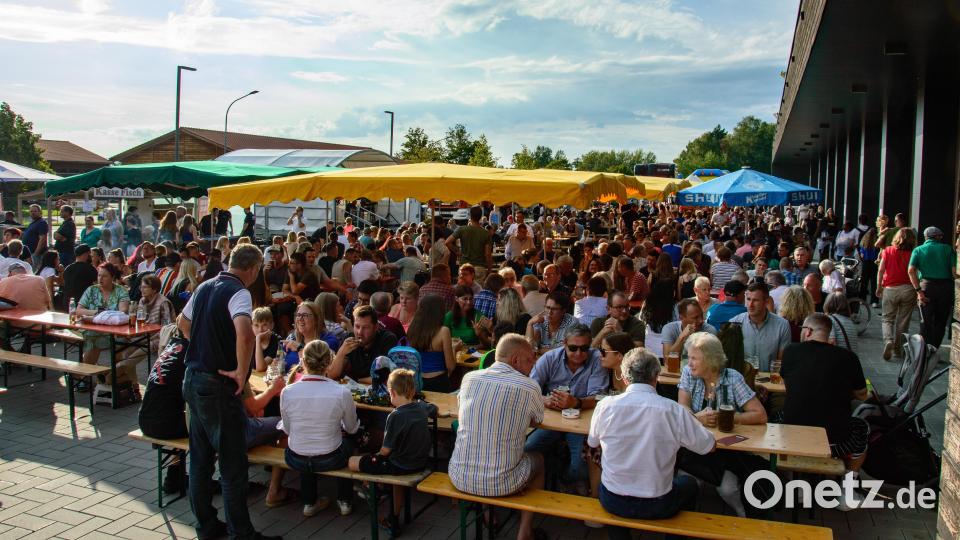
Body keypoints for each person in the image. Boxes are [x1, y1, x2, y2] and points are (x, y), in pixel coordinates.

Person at [176, 244, 279, 540]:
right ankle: (241, 533)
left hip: (193, 378)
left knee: (200, 461)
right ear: (254, 269)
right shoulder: (239, 292)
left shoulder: (205, 286)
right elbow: (245, 334)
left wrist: (203, 345)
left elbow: (182, 323)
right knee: (233, 465)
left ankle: (206, 526)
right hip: (217, 385)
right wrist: (240, 372)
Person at [589, 348, 715, 539]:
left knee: (612, 491)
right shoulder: (673, 410)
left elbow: (592, 442)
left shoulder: (605, 406)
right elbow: (708, 446)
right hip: (658, 502)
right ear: (656, 377)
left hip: (613, 499)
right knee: (689, 484)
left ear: (625, 378)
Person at [449, 334, 545, 540]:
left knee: (486, 449)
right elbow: (537, 421)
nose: (533, 365)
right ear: (516, 360)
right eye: (530, 360)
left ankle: (488, 513)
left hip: (459, 476)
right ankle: (525, 532)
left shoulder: (469, 379)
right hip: (503, 483)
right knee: (539, 460)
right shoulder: (529, 386)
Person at [781, 313, 869, 507]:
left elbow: (788, 382)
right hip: (833, 441)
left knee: (779, 417)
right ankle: (847, 490)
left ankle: (796, 483)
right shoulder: (848, 357)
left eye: (803, 330)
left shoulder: (791, 351)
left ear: (808, 331)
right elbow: (862, 394)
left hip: (793, 437)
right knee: (862, 428)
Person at [678, 332, 767, 517]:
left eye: (694, 358)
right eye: (689, 357)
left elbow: (760, 415)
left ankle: (744, 515)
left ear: (710, 360)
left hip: (726, 452)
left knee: (727, 489)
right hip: (697, 448)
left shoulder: (732, 377)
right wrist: (697, 418)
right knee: (687, 483)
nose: (689, 363)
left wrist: (729, 417)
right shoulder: (688, 373)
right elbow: (682, 407)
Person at [347, 368, 436, 534]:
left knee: (353, 461)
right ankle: (391, 516)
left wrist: (375, 456)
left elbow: (385, 451)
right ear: (412, 391)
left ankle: (373, 489)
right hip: (419, 462)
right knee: (394, 481)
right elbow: (434, 409)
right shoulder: (421, 408)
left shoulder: (395, 416)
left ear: (392, 392)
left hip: (400, 464)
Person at [280, 340, 358, 518]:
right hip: (330, 458)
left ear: (303, 361)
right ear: (329, 362)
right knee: (348, 442)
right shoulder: (341, 392)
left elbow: (288, 429)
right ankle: (345, 500)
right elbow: (352, 428)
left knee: (305, 443)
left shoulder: (287, 391)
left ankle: (309, 502)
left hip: (295, 458)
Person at [526, 324, 608, 491]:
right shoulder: (550, 358)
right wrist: (545, 400)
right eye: (573, 348)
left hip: (580, 420)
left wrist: (576, 402)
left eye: (584, 348)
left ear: (590, 345)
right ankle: (551, 473)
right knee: (528, 450)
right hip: (551, 418)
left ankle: (561, 476)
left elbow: (599, 398)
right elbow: (529, 388)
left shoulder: (596, 359)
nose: (578, 353)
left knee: (580, 468)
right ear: (564, 344)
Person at [113, 275, 174, 386]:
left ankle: (115, 371)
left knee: (136, 354)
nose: (141, 289)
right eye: (141, 287)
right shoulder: (142, 300)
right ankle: (134, 385)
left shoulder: (163, 302)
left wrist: (149, 336)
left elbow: (168, 328)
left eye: (145, 287)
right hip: (144, 336)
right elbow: (141, 322)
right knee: (125, 352)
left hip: (159, 338)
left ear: (154, 289)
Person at [909, 226, 958, 350]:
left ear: (926, 237)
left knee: (925, 321)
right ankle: (934, 350)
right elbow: (954, 273)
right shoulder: (948, 249)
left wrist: (919, 291)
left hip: (926, 287)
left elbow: (911, 271)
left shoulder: (918, 250)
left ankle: (924, 351)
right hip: (945, 288)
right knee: (941, 322)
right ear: (938, 237)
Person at [76, 262, 131, 367]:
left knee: (101, 340)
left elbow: (123, 311)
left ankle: (86, 371)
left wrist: (100, 316)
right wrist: (98, 312)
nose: (100, 279)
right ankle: (87, 371)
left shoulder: (121, 290)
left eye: (104, 276)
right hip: (91, 328)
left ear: (112, 277)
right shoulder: (91, 290)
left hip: (114, 331)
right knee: (93, 337)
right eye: (99, 275)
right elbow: (78, 310)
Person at [729, 282, 792, 372]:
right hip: (742, 378)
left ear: (766, 302)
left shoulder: (782, 325)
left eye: (755, 300)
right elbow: (730, 358)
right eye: (748, 299)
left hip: (769, 378)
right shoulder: (734, 322)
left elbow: (780, 362)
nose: (750, 305)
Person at [329, 305, 399, 384]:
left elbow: (384, 378)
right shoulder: (349, 339)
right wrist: (341, 353)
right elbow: (332, 375)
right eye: (357, 326)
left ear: (376, 327)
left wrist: (357, 380)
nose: (360, 332)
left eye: (366, 327)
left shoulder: (387, 339)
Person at [876, 227, 917, 359]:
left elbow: (881, 270)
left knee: (887, 318)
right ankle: (898, 350)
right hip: (909, 289)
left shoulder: (888, 250)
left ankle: (888, 340)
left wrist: (879, 286)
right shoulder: (914, 253)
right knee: (903, 321)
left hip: (890, 289)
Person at [406, 294, 456, 391]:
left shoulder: (413, 328)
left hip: (417, 381)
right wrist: (454, 349)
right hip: (438, 381)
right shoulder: (443, 331)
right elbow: (451, 366)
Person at [62, 244, 98, 310]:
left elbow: (64, 283)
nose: (90, 256)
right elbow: (97, 285)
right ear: (85, 254)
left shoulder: (68, 268)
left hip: (68, 302)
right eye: (89, 254)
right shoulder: (90, 269)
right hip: (83, 304)